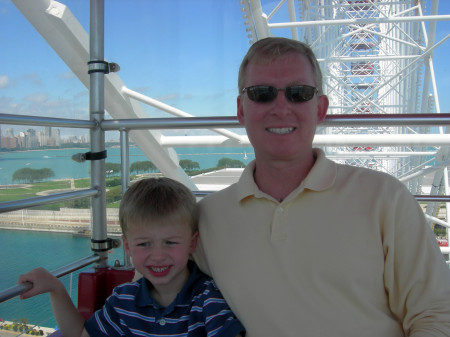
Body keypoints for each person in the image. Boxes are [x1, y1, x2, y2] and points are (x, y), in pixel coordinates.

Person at [194, 37, 450, 336]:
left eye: (298, 93)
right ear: (241, 109)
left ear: (320, 108)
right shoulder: (206, 218)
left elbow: (436, 313)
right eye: (261, 93)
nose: (280, 107)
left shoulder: (385, 198)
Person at [18, 177, 245, 337]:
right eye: (144, 244)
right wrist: (55, 288)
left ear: (191, 243)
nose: (158, 256)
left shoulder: (207, 300)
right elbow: (79, 334)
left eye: (171, 242)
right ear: (127, 246)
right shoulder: (124, 301)